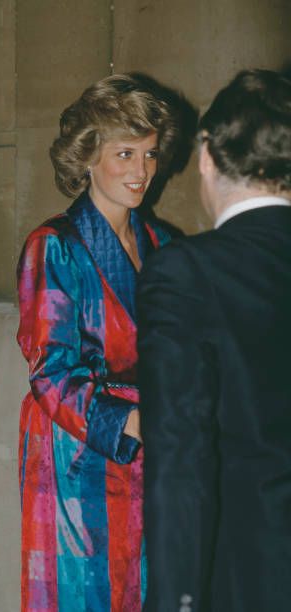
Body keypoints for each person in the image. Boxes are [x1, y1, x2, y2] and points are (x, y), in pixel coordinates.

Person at [16, 73, 182, 611]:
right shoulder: (55, 246)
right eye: (125, 153)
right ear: (88, 156)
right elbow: (50, 373)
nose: (142, 172)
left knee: (150, 588)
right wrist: (129, 421)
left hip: (153, 443)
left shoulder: (163, 244)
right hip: (79, 452)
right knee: (88, 594)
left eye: (151, 155)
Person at [137, 69, 291, 612]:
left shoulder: (186, 272)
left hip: (252, 577)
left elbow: (180, 462)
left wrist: (177, 602)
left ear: (206, 155)